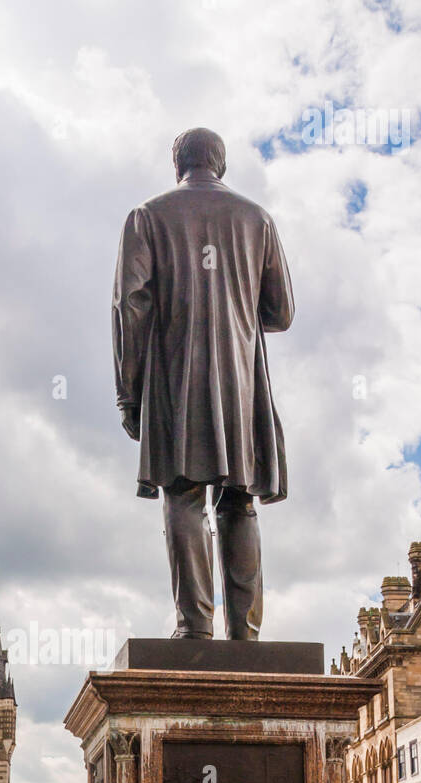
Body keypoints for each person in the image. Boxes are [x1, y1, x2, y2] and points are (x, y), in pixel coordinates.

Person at [112, 127, 294, 641]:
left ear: (178, 164)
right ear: (221, 164)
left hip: (175, 375)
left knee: (183, 493)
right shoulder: (257, 219)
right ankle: (247, 636)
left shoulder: (147, 217)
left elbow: (130, 308)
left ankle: (195, 628)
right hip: (241, 379)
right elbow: (281, 312)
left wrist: (129, 392)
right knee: (239, 499)